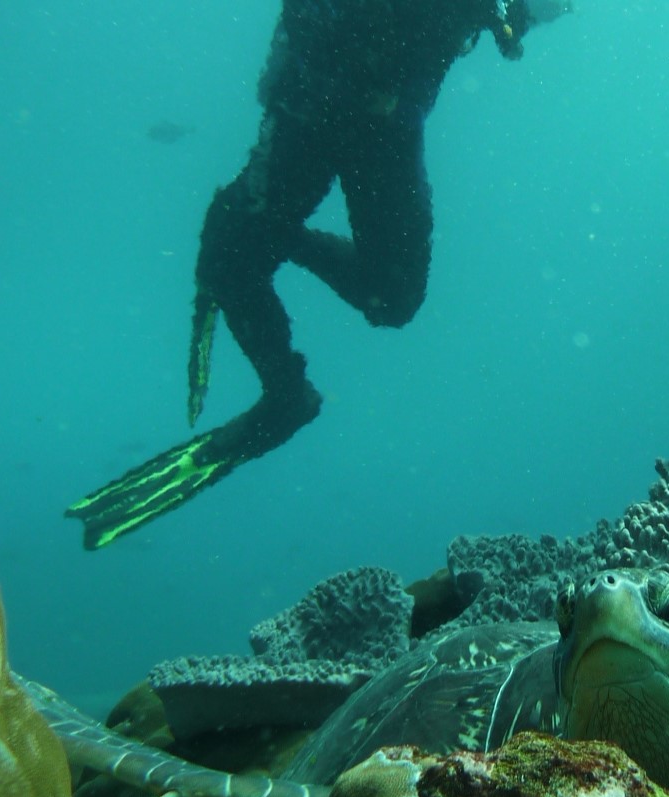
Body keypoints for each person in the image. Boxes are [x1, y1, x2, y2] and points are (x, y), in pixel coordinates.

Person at [67, 0, 570, 549]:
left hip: (378, 118)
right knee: (241, 259)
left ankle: (248, 246)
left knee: (391, 297)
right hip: (315, 99)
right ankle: (284, 391)